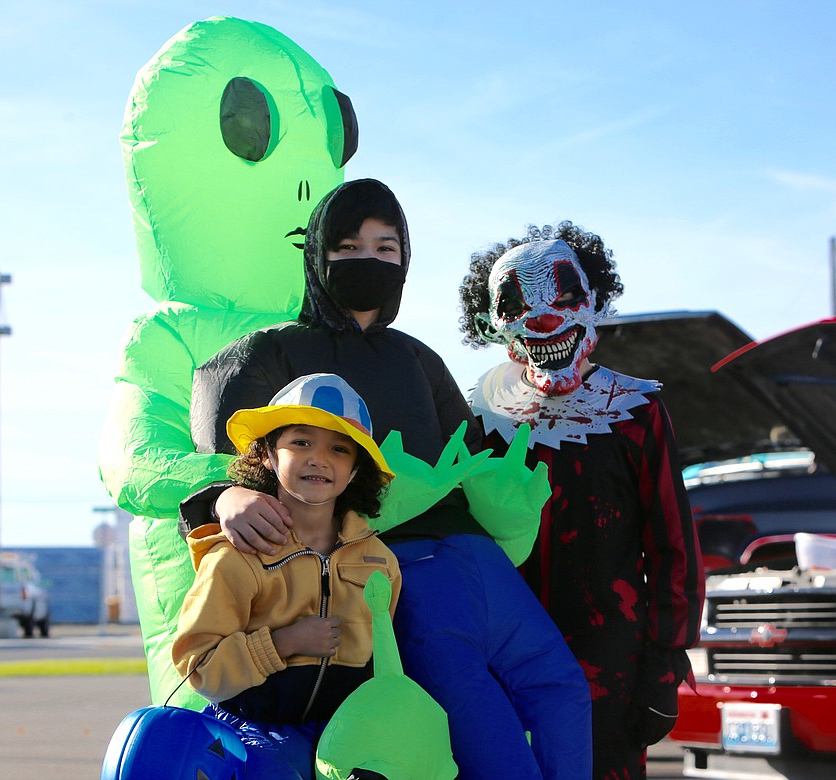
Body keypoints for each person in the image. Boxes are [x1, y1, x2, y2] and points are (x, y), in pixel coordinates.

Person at [185, 179, 593, 779]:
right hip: (399, 564)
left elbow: (469, 455)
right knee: (489, 735)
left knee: (563, 691)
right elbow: (224, 456)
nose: (368, 262)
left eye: (385, 248)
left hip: (479, 558)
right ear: (316, 255)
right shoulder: (269, 351)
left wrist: (513, 504)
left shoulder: (418, 356)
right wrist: (226, 497)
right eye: (348, 246)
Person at [458, 222, 705, 780]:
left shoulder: (636, 412)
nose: (545, 319)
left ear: (593, 300)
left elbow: (673, 545)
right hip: (504, 660)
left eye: (564, 299)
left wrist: (665, 663)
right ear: (494, 323)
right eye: (520, 306)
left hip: (609, 665)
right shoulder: (480, 415)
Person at [173, 372, 401, 780]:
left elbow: (385, 664)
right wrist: (283, 643)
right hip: (253, 734)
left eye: (340, 448)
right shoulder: (235, 556)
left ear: (355, 471)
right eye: (300, 442)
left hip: (346, 736)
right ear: (266, 454)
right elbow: (199, 668)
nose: (319, 458)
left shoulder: (380, 562)